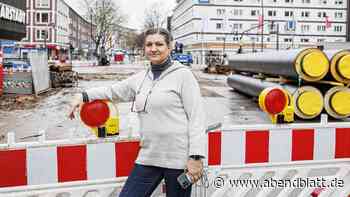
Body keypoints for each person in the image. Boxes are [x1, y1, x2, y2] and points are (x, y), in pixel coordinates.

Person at [68, 28, 206, 197]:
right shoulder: (141, 78)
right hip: (149, 156)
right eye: (149, 44)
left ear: (169, 47)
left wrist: (196, 157)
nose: (153, 48)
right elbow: (113, 91)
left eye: (159, 44)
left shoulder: (184, 76)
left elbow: (196, 118)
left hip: (178, 159)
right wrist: (82, 96)